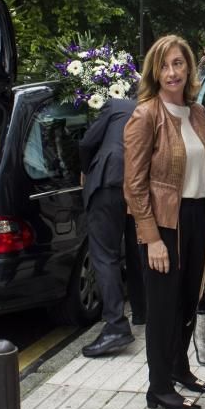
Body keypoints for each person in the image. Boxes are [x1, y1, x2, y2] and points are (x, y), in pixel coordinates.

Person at [123, 35, 205, 409]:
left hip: (196, 218)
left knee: (187, 302)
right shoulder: (145, 115)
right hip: (164, 222)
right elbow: (133, 185)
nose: (172, 72)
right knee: (163, 308)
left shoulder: (196, 113)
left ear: (189, 67)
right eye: (164, 65)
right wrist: (152, 238)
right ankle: (159, 387)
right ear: (154, 72)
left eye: (178, 63)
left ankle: (181, 368)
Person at [79, 95, 144, 357]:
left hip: (109, 182)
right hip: (138, 187)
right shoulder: (157, 109)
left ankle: (116, 326)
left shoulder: (117, 105)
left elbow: (86, 142)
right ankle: (143, 310)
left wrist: (85, 170)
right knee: (137, 248)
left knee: (105, 256)